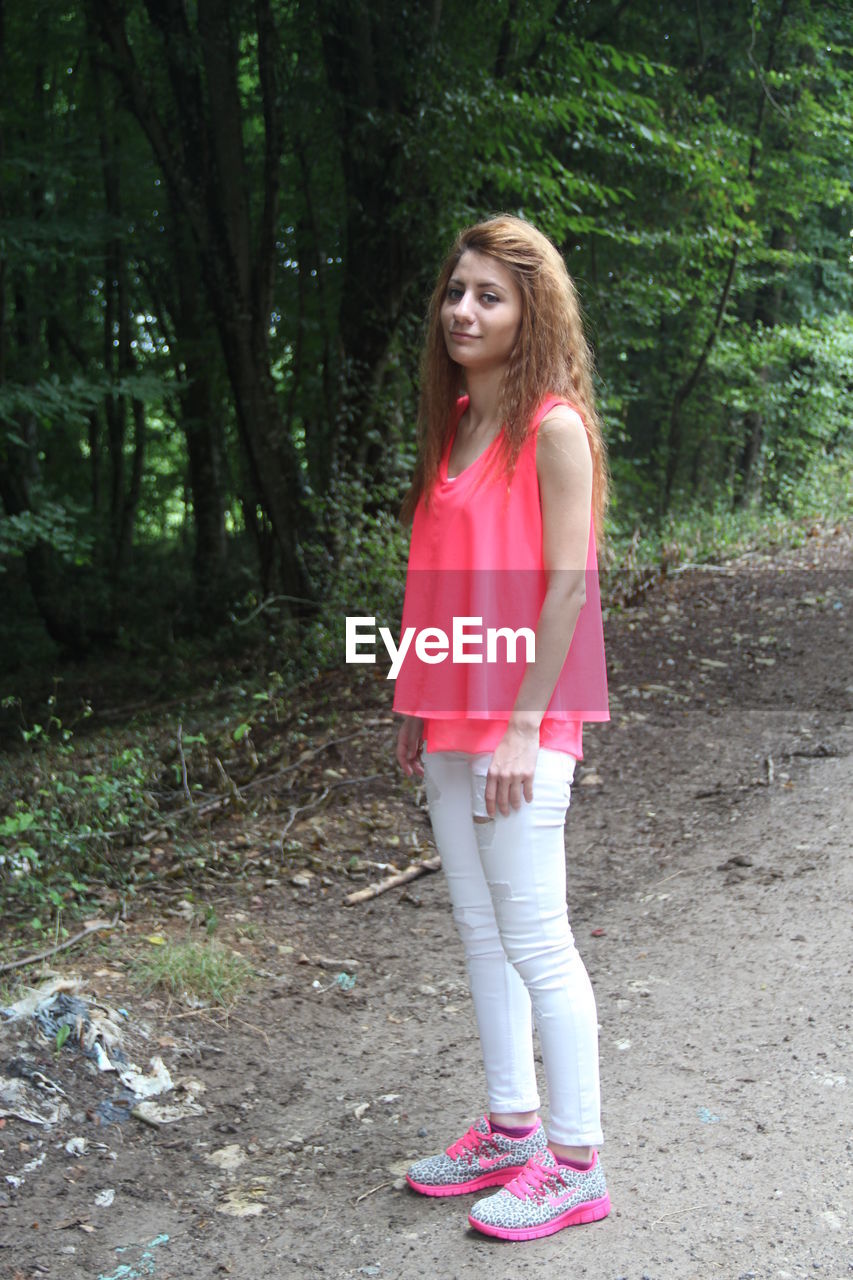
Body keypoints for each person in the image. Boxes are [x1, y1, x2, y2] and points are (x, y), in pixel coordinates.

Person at [393, 214, 611, 1242]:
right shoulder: (458, 423)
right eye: (454, 292)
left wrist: (527, 726)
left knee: (535, 938)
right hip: (448, 711)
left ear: (531, 311)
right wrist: (409, 696)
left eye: (488, 294)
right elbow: (434, 581)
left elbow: (567, 586)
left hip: (524, 718)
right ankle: (509, 1125)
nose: (463, 311)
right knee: (480, 933)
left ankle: (575, 1161)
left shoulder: (550, 426)